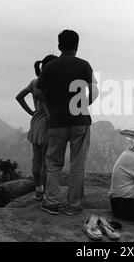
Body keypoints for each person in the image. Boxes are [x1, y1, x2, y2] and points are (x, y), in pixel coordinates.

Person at [36, 30, 99, 216]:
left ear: (59, 46)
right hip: (80, 121)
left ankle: (52, 202)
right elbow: (94, 92)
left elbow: (38, 92)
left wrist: (52, 102)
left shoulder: (50, 67)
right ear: (77, 46)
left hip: (56, 122)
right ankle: (73, 205)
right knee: (77, 163)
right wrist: (82, 105)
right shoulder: (84, 65)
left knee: (53, 163)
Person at [15, 54, 57, 201]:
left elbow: (19, 97)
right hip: (48, 126)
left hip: (35, 125)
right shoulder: (53, 85)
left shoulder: (34, 82)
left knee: (36, 161)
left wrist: (31, 112)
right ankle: (45, 194)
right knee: (46, 164)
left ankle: (38, 191)